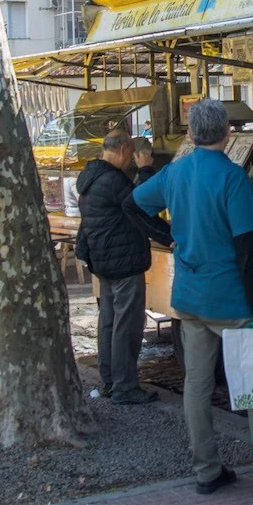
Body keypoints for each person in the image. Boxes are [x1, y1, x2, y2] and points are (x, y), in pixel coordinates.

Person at [128, 99, 253, 504]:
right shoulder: (233, 178)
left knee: (196, 385)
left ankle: (207, 471)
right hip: (231, 300)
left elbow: (132, 204)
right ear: (229, 134)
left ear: (190, 134)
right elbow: (248, 251)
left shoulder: (174, 172)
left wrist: (167, 237)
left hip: (190, 296)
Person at [74, 129, 163, 405]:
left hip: (103, 260)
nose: (132, 162)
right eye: (132, 156)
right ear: (125, 150)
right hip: (124, 262)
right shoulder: (113, 180)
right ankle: (125, 386)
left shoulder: (91, 177)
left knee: (109, 323)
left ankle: (110, 381)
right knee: (128, 324)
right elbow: (143, 204)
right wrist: (147, 171)